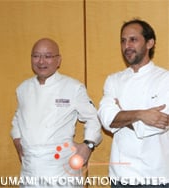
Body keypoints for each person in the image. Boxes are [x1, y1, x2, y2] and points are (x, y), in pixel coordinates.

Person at [11, 38, 102, 187]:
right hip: (30, 169)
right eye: (36, 56)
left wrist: (88, 146)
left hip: (61, 168)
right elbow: (17, 119)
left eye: (48, 56)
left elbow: (94, 118)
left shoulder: (73, 87)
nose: (41, 61)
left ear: (58, 60)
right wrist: (17, 140)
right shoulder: (23, 88)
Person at [98, 19, 169, 187]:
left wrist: (121, 114)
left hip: (156, 176)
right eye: (123, 40)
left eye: (133, 39)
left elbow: (160, 123)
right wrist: (140, 115)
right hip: (121, 175)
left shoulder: (165, 79)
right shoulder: (113, 80)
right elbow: (107, 120)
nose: (127, 45)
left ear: (150, 43)